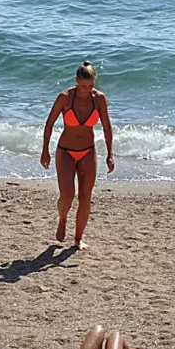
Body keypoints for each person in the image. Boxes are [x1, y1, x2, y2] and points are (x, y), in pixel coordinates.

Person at [40, 61, 116, 250]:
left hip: (88, 152)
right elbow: (49, 124)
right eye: (83, 86)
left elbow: (106, 127)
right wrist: (45, 151)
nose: (87, 90)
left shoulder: (99, 99)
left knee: (85, 197)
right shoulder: (65, 98)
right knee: (67, 195)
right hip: (65, 151)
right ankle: (63, 218)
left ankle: (78, 239)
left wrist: (110, 154)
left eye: (90, 86)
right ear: (76, 81)